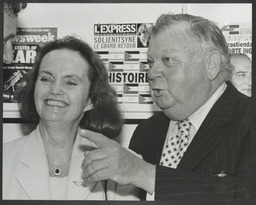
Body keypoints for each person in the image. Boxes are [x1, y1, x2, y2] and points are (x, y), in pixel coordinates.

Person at [80, 14, 251, 202]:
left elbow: (245, 196)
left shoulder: (248, 120)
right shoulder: (147, 132)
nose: (152, 73)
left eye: (168, 60)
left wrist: (145, 174)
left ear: (211, 65)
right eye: (150, 62)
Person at [3, 36, 139, 200]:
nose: (55, 90)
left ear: (90, 100)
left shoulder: (121, 164)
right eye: (46, 79)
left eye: (70, 83)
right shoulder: (5, 158)